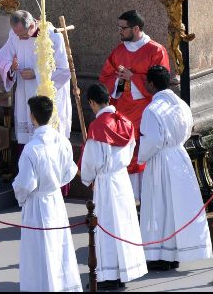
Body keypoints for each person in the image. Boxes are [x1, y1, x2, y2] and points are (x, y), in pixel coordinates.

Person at [138, 65, 212, 271]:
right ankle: (175, 253)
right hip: (180, 157)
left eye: (146, 82)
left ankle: (161, 255)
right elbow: (188, 130)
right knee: (177, 207)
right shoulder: (181, 104)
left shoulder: (152, 110)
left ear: (151, 84)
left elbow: (151, 140)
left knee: (159, 207)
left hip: (160, 161)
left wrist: (141, 156)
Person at [80, 83, 147, 289]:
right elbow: (132, 147)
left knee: (107, 227)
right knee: (124, 226)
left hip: (106, 183)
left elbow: (91, 161)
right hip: (122, 181)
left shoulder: (98, 127)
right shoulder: (125, 121)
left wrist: (88, 177)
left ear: (92, 102)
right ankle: (124, 272)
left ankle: (108, 275)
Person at [99, 10, 170, 201]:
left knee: (141, 154)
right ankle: (128, 199)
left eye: (123, 28)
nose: (120, 32)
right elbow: (105, 77)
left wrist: (133, 77)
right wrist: (120, 80)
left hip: (146, 111)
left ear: (136, 28)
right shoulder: (119, 51)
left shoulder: (155, 50)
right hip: (123, 112)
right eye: (119, 28)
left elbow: (161, 80)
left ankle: (145, 199)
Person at [13, 95, 80, 292]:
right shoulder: (62, 142)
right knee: (58, 247)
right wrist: (54, 183)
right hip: (55, 200)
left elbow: (25, 184)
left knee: (39, 251)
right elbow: (69, 171)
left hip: (37, 204)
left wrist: (19, 193)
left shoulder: (31, 149)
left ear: (32, 117)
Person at [0, 9, 72, 145]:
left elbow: (64, 71)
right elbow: (2, 57)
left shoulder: (52, 36)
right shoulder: (15, 35)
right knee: (27, 137)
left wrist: (36, 74)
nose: (19, 38)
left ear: (32, 26)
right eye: (16, 34)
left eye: (23, 35)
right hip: (24, 92)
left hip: (46, 93)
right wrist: (11, 67)